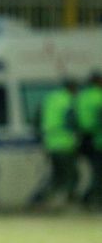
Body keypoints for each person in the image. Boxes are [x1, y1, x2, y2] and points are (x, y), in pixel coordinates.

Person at [34, 79, 80, 208]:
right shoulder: (69, 101)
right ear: (72, 88)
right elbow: (73, 122)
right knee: (72, 176)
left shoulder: (49, 99)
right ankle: (70, 203)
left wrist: (41, 136)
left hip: (50, 143)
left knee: (57, 175)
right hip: (65, 143)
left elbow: (37, 118)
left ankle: (42, 199)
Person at [76, 71, 102, 207]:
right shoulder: (99, 96)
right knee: (98, 173)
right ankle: (91, 199)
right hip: (97, 140)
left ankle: (88, 198)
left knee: (95, 171)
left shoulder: (81, 96)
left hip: (83, 139)